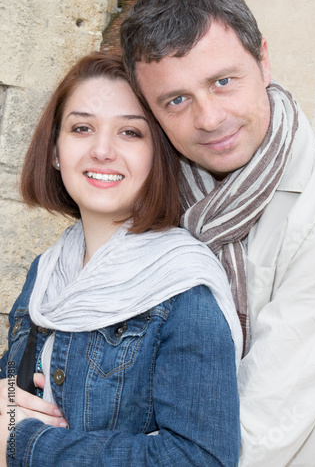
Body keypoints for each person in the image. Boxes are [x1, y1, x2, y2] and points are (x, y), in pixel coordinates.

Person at [120, 0, 315, 467]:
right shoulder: (150, 187)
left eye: (223, 81)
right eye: (176, 100)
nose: (210, 118)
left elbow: (259, 429)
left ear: (263, 59)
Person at [0, 53, 242, 466]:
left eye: (130, 132)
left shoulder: (182, 287)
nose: (102, 150)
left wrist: (22, 446)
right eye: (82, 128)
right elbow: (13, 389)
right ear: (56, 150)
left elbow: (200, 458)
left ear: (158, 156)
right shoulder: (49, 269)